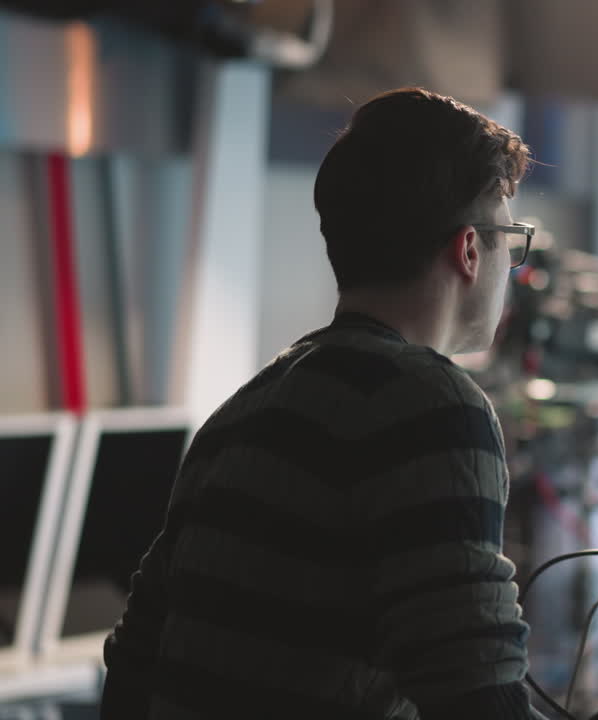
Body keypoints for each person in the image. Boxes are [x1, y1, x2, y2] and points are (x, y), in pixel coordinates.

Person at [101, 88, 544, 719]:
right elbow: (477, 695)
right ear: (470, 250)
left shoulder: (246, 408)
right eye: (511, 239)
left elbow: (135, 658)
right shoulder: (433, 406)